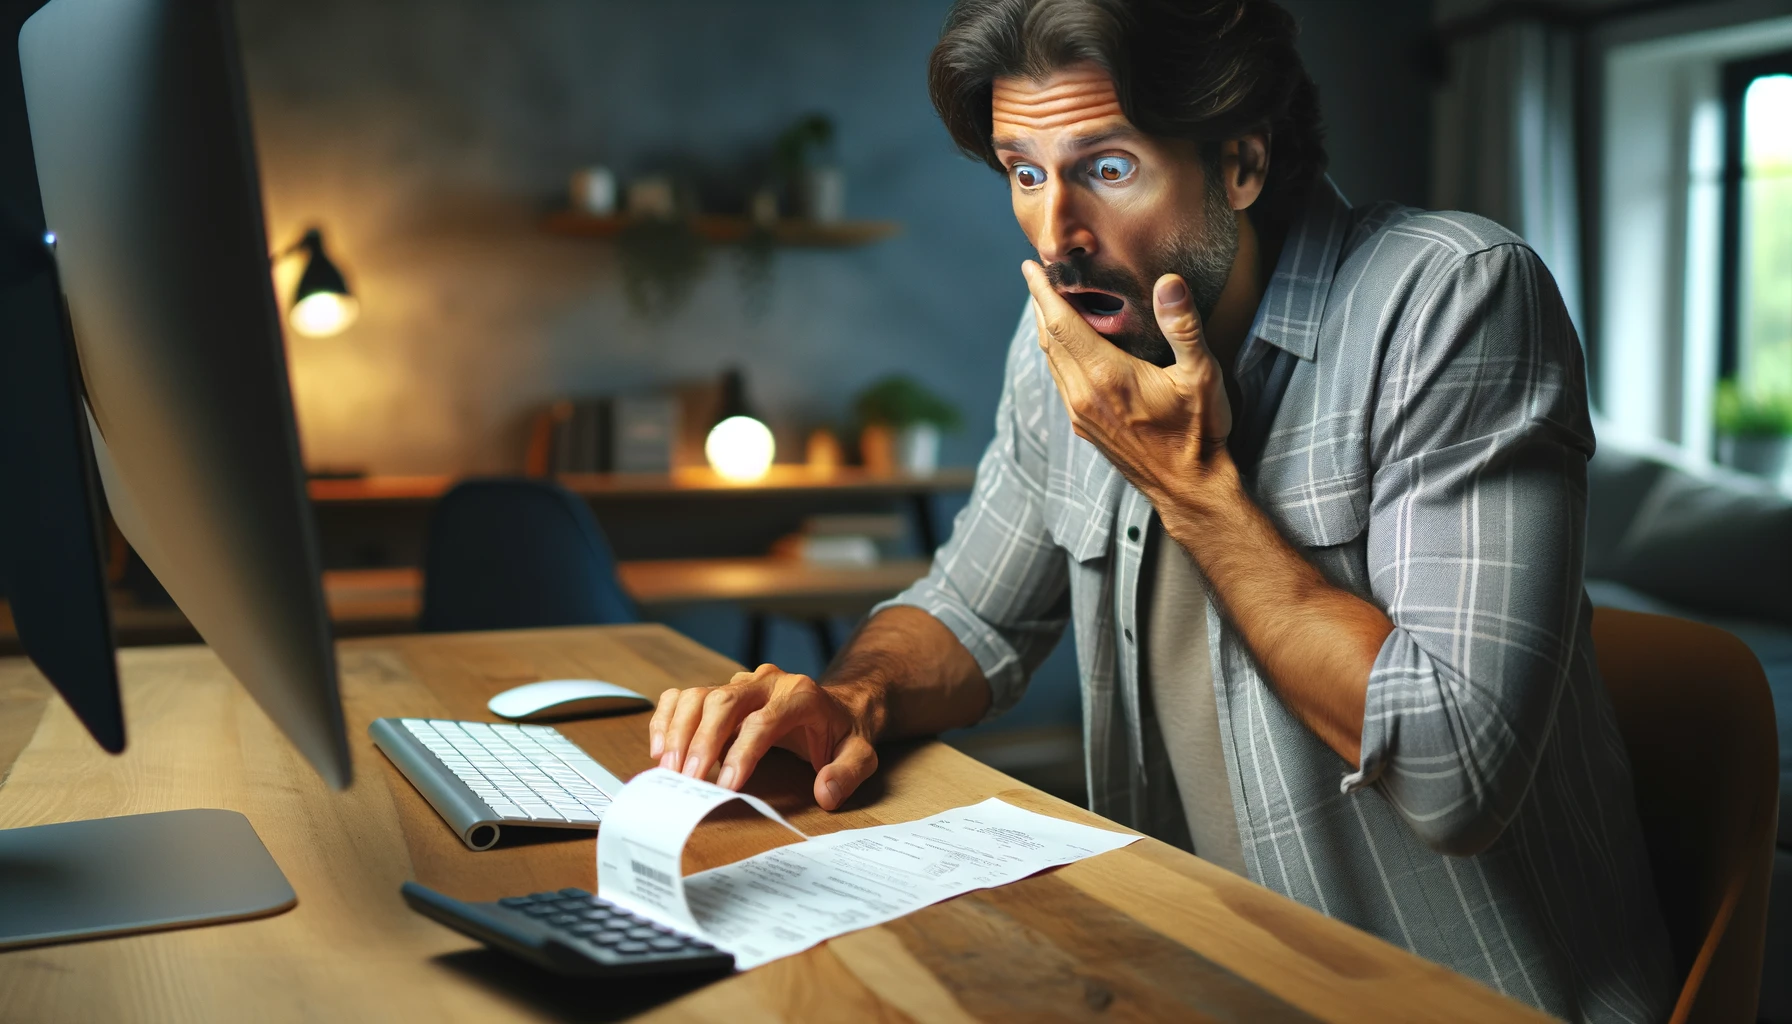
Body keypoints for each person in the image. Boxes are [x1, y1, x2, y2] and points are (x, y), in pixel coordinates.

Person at [649, 1, 1675, 1018]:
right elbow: (972, 613)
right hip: (1199, 972)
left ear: (1240, 161)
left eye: (1107, 167)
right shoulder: (1074, 329)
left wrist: (1187, 482)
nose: (1059, 235)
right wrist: (852, 699)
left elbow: (1454, 774)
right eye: (1024, 172)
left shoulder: (1453, 302)